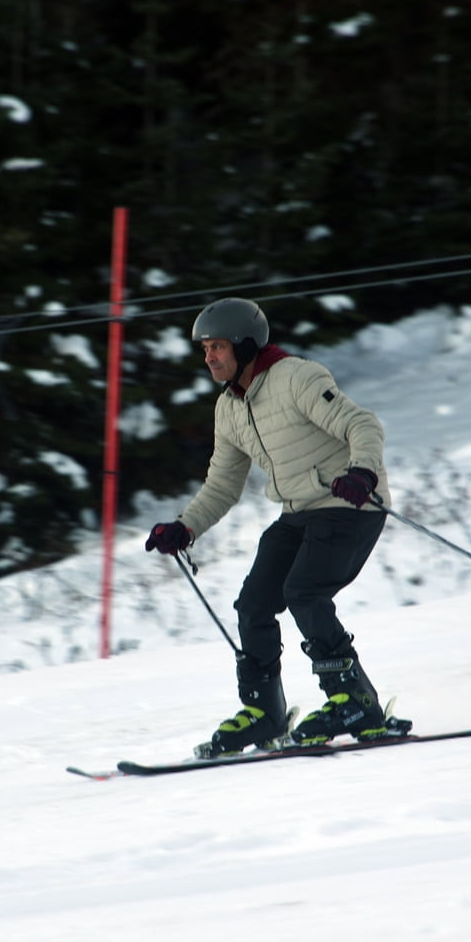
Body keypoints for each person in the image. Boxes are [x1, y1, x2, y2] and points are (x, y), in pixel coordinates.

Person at [145, 296, 403, 755]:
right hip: (298, 512)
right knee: (254, 603)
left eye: (218, 347)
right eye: (204, 349)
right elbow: (223, 484)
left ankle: (356, 703)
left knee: (303, 592)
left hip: (351, 505)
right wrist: (185, 528)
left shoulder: (295, 378)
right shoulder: (229, 407)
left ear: (245, 346)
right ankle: (264, 713)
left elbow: (363, 424)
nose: (209, 358)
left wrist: (362, 472)